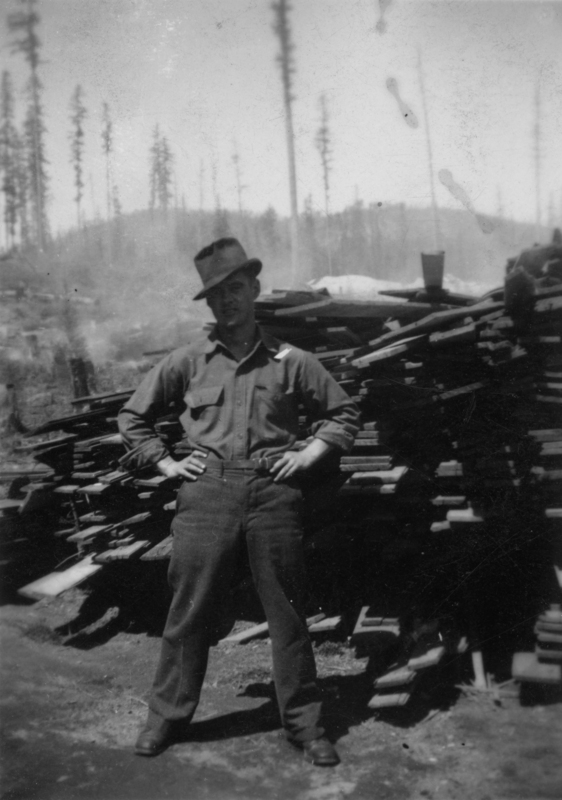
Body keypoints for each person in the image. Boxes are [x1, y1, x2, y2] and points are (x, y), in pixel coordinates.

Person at [118, 237, 360, 766]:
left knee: (288, 614)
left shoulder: (293, 362)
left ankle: (305, 726)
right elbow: (132, 418)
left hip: (274, 493)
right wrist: (165, 463)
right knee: (189, 612)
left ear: (253, 288)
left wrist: (308, 455)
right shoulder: (188, 362)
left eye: (235, 288)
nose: (227, 301)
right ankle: (165, 719)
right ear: (208, 304)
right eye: (216, 294)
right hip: (206, 494)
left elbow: (342, 415)